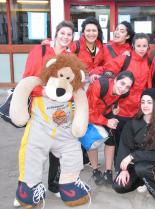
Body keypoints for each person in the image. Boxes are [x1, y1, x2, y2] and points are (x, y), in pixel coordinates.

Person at [22, 20, 75, 198]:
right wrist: (42, 91)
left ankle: (54, 185)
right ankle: (26, 188)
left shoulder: (70, 56)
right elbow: (28, 78)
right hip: (40, 105)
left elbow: (71, 82)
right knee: (34, 148)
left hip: (61, 108)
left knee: (59, 148)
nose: (65, 37)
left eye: (69, 35)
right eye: (63, 33)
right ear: (56, 34)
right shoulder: (41, 50)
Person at [91, 33, 151, 165]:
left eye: (145, 46)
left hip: (138, 109)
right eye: (139, 45)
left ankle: (128, 165)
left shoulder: (148, 60)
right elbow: (108, 68)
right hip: (122, 108)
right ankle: (119, 167)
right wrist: (96, 74)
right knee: (120, 141)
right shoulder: (126, 58)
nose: (142, 48)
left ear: (148, 47)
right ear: (133, 45)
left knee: (133, 139)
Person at [113, 88, 155, 209]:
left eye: (149, 102)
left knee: (142, 168)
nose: (145, 105)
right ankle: (144, 180)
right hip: (136, 163)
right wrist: (123, 169)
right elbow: (124, 146)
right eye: (143, 102)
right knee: (119, 186)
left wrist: (132, 156)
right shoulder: (132, 123)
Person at [86, 71, 135, 185]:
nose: (123, 88)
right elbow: (89, 111)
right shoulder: (99, 85)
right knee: (92, 140)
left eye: (127, 87)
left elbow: (113, 100)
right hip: (90, 113)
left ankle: (108, 171)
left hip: (106, 113)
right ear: (116, 79)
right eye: (122, 83)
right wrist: (106, 121)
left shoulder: (123, 93)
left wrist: (114, 109)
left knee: (111, 140)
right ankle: (95, 170)